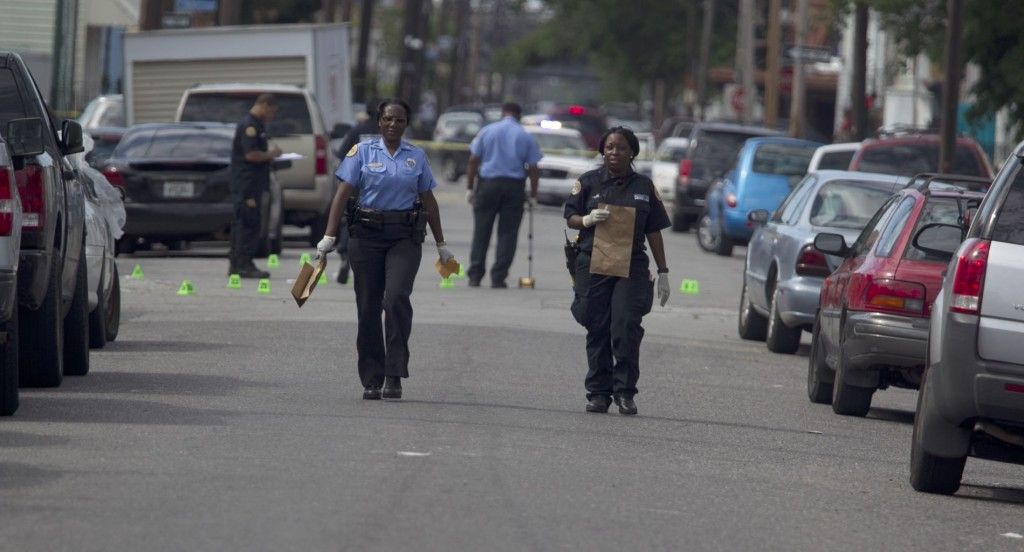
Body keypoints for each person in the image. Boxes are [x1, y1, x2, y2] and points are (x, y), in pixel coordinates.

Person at [314, 99, 453, 401]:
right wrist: (328, 236)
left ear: (406, 124)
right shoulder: (361, 152)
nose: (393, 125)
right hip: (366, 237)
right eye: (388, 119)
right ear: (379, 122)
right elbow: (342, 195)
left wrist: (441, 245)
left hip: (403, 237)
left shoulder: (416, 156)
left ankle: (394, 373)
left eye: (400, 120)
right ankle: (372, 378)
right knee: (367, 307)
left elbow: (428, 200)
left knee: (396, 299)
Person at [564, 127, 672, 416]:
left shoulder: (644, 187)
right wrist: (586, 219)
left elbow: (655, 231)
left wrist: (663, 271)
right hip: (593, 260)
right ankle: (599, 393)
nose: (614, 153)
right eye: (609, 147)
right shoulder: (588, 182)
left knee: (625, 327)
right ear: (602, 151)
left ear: (632, 152)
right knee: (596, 325)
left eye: (621, 148)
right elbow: (571, 217)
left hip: (631, 264)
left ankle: (625, 391)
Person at [465, 102, 542, 288]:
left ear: (503, 113)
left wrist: (470, 187)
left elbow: (473, 160)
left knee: (481, 231)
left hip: (487, 185)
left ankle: (475, 275)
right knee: (508, 233)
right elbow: (533, 168)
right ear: (519, 115)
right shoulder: (525, 136)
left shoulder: (487, 131)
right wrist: (533, 194)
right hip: (514, 187)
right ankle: (498, 277)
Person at [229, 93, 281, 278]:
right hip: (247, 185)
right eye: (272, 112)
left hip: (252, 183)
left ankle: (238, 264)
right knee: (247, 223)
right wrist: (271, 154)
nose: (271, 116)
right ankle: (243, 264)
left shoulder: (257, 125)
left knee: (246, 222)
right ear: (265, 105)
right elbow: (251, 155)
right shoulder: (249, 126)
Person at [331, 103, 381, 284]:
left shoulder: (357, 130)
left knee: (350, 218)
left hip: (358, 181)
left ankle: (345, 256)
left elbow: (342, 153)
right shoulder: (389, 131)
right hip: (383, 184)